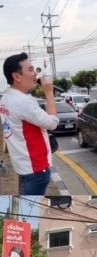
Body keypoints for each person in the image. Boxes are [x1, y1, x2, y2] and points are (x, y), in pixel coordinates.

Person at [0, 52, 59, 194]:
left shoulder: (6, 98)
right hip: (36, 169)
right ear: (17, 76)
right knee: (29, 211)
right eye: (31, 70)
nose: (35, 75)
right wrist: (49, 94)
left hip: (22, 166)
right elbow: (52, 123)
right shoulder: (23, 102)